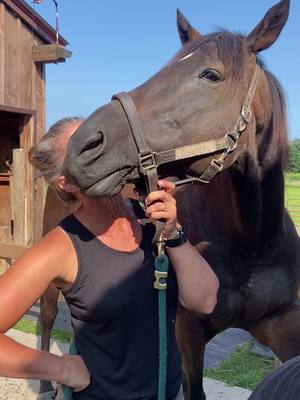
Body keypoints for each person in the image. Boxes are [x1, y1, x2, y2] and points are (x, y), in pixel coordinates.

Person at [0, 117, 219, 399]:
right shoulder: (59, 248)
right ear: (66, 183)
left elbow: (205, 300)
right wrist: (62, 368)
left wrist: (174, 233)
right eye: (88, 146)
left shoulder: (148, 217)